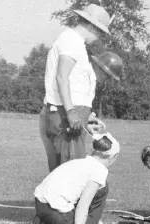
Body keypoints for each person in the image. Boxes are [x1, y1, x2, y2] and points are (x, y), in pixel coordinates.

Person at [39, 3, 112, 172]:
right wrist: (71, 111)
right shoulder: (72, 41)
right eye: (100, 31)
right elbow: (62, 77)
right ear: (91, 26)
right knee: (71, 169)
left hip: (67, 112)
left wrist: (88, 116)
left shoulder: (73, 41)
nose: (99, 36)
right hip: (65, 113)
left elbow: (74, 83)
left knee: (64, 169)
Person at [27, 133, 121, 224]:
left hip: (41, 205)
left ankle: (43, 223)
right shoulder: (99, 171)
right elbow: (82, 208)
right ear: (111, 156)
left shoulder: (81, 161)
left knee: (102, 188)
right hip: (57, 213)